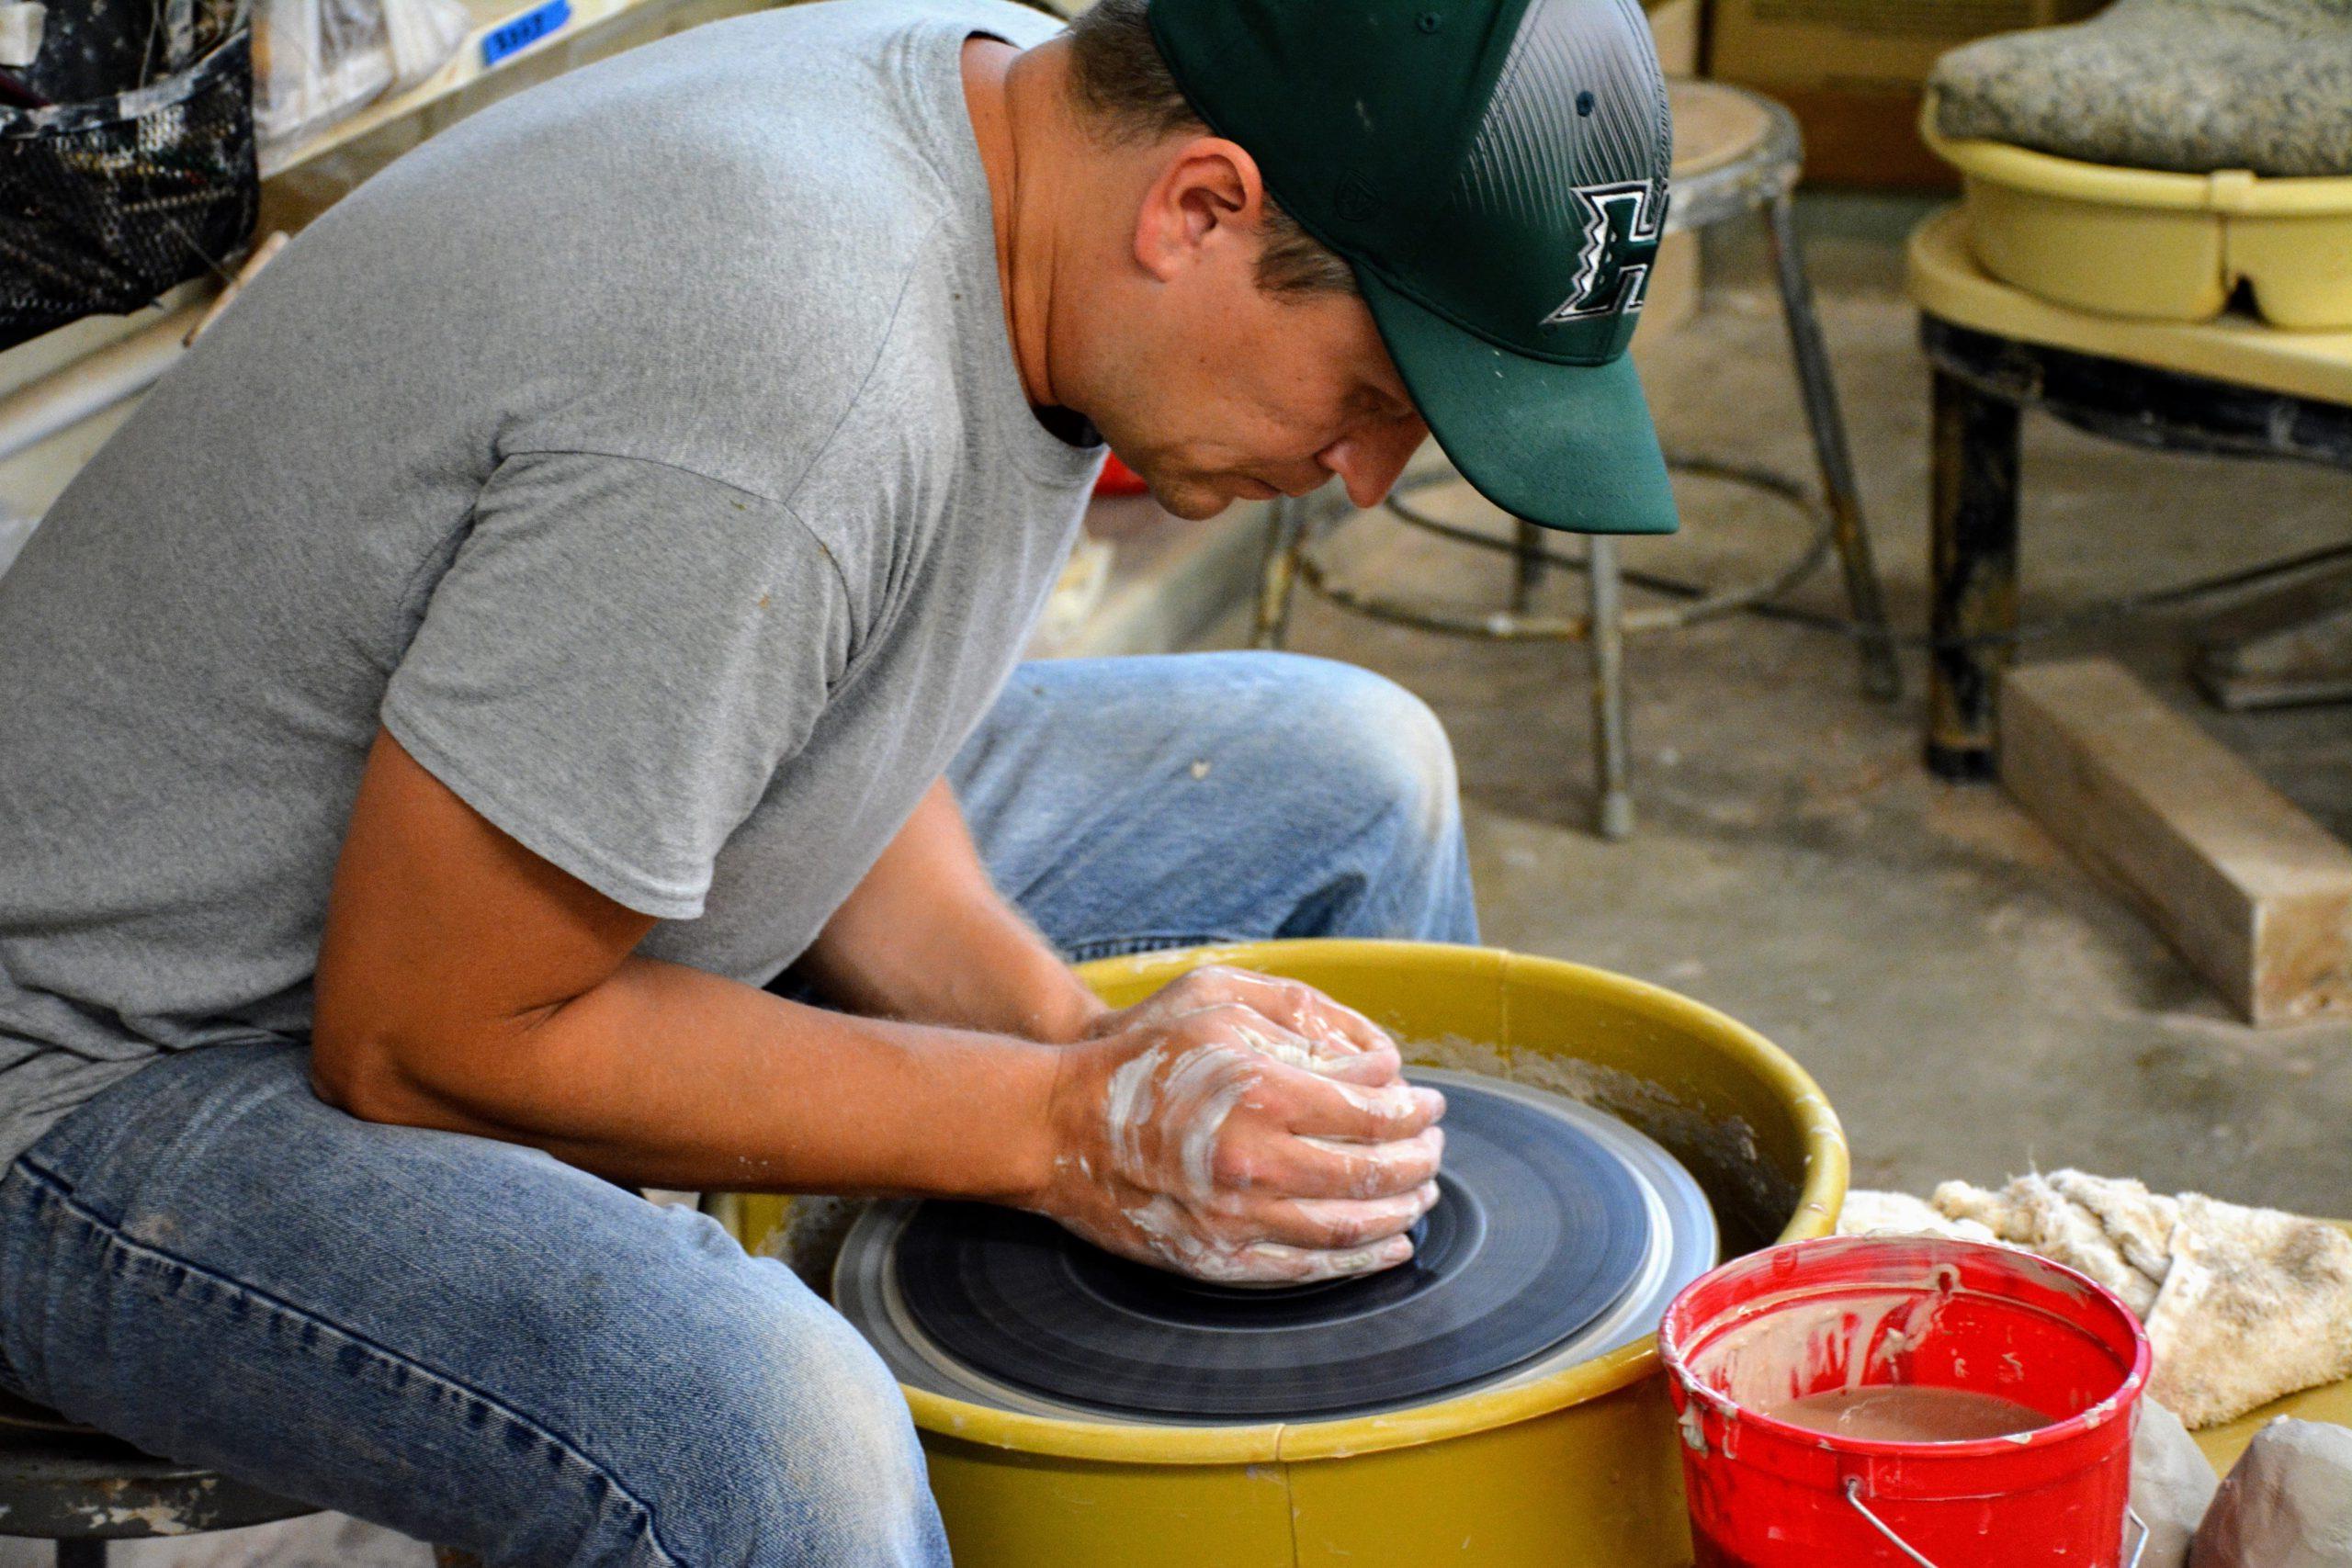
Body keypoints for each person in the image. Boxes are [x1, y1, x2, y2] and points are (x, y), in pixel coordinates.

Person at [0, 0, 1673, 1557]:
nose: (1367, 478)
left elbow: (826, 713)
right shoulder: (791, 365)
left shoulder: (1029, 124)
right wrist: (1064, 1132)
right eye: (1372, 394)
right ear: (1201, 210)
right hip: (116, 1060)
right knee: (770, 1429)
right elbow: (429, 1040)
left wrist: (1074, 1040)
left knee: (1350, 779)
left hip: (494, 898)